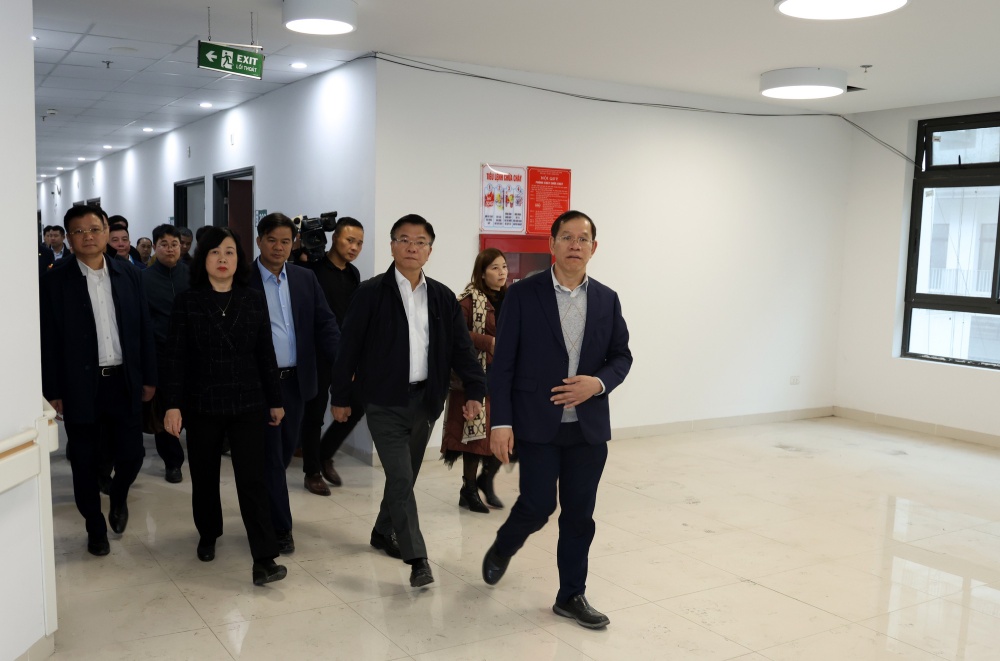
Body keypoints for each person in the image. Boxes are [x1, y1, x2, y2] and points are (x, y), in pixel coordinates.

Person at [481, 210, 632, 630]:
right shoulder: (522, 294)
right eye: (567, 237)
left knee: (579, 515)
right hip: (537, 424)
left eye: (583, 239)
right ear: (552, 244)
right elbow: (504, 364)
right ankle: (504, 545)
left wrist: (596, 384)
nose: (575, 245)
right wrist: (501, 423)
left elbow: (621, 356)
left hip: (587, 428)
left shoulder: (607, 299)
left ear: (593, 248)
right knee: (538, 505)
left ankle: (570, 596)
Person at [330, 214, 486, 588]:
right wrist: (340, 395)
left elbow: (462, 351)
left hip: (426, 401)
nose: (412, 247)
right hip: (383, 401)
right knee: (400, 476)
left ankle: (382, 530)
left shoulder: (443, 298)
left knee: (405, 478)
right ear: (392, 246)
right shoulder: (370, 293)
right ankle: (417, 559)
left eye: (420, 242)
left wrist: (475, 391)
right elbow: (347, 348)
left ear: (429, 250)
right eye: (404, 240)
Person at [161, 227, 288, 586]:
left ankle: (264, 557)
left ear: (239, 260)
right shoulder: (188, 301)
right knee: (204, 476)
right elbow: (175, 358)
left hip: (248, 402)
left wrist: (275, 401)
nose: (222, 259)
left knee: (253, 479)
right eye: (215, 252)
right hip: (202, 403)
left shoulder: (252, 299)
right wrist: (172, 405)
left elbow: (266, 354)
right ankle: (208, 533)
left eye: (229, 252)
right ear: (203, 259)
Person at [40, 205, 157, 556]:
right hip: (80, 386)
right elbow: (48, 340)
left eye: (94, 229)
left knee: (132, 455)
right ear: (68, 238)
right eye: (78, 231)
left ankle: (118, 495)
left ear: (107, 232)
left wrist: (149, 376)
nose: (88, 236)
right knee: (85, 462)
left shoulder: (128, 273)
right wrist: (52, 391)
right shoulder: (54, 280)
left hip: (123, 380)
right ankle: (94, 527)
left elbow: (144, 329)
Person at [249, 213, 340, 554]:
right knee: (272, 458)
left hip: (296, 383)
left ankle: (264, 510)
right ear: (259, 241)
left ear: (294, 243)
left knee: (285, 452)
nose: (279, 247)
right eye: (272, 240)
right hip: (260, 384)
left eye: (285, 241)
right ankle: (280, 528)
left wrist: (344, 363)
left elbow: (325, 324)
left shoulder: (304, 278)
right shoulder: (244, 280)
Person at [440, 248, 509, 513]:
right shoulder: (468, 301)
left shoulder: (510, 299)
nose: (502, 272)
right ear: (481, 273)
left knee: (504, 430)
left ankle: (485, 480)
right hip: (475, 376)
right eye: (495, 268)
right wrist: (487, 341)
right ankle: (468, 489)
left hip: (504, 376)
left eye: (504, 266)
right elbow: (455, 333)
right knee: (474, 438)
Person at [299, 217, 365, 494]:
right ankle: (312, 471)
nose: (354, 247)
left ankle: (325, 453)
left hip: (345, 353)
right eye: (349, 240)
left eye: (359, 243)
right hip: (316, 352)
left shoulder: (353, 274)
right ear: (334, 237)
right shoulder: (310, 269)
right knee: (314, 413)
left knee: (357, 405)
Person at [141, 225, 190, 483]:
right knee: (164, 409)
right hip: (160, 353)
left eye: (175, 244)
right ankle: (172, 462)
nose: (170, 249)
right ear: (155, 247)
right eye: (164, 244)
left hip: (192, 354)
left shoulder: (192, 275)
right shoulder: (144, 279)